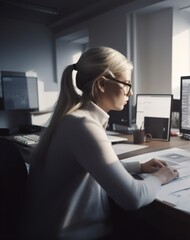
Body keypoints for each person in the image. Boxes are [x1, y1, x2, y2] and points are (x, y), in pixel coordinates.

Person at [20, 46, 179, 240]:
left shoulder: (72, 118)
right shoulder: (83, 125)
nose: (130, 93)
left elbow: (90, 166)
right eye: (127, 84)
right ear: (102, 84)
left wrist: (139, 166)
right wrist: (161, 177)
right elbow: (133, 198)